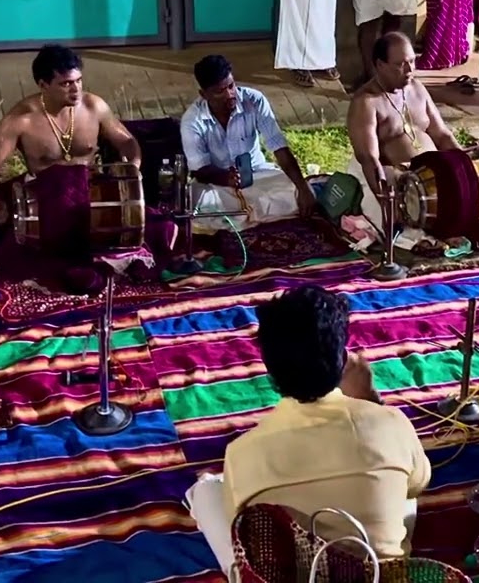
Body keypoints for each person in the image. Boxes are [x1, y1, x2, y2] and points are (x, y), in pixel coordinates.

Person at [185, 285, 430, 569]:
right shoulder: (392, 423)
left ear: (270, 370)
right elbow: (417, 484)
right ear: (343, 359)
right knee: (399, 485)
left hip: (291, 574)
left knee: (205, 493)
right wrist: (372, 405)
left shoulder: (241, 454)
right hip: (377, 574)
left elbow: (242, 530)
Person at [0, 44, 174, 292]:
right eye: (66, 84)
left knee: (159, 227)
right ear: (42, 85)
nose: (76, 88)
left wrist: (132, 169)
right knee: (21, 253)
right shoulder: (21, 119)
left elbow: (127, 141)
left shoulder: (94, 107)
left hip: (93, 202)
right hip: (49, 209)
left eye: (79, 81)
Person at [181, 55, 315, 233]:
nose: (230, 94)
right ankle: (260, 216)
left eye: (231, 86)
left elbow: (279, 147)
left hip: (259, 175)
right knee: (199, 205)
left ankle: (245, 220)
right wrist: (225, 178)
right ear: (204, 95)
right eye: (220, 91)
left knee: (296, 193)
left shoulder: (254, 100)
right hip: (218, 185)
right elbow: (199, 170)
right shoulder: (192, 121)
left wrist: (303, 187)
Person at [346, 32, 460, 231]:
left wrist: (464, 165)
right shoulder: (366, 102)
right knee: (411, 232)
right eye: (400, 64)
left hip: (431, 177)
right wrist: (386, 203)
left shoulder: (417, 88)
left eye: (412, 62)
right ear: (380, 65)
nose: (409, 70)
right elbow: (369, 160)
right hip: (389, 181)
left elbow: (442, 135)